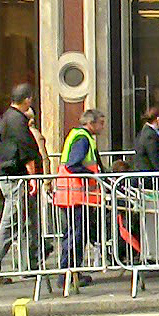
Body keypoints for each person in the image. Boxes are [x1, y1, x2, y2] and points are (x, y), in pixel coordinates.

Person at [0, 84, 43, 281]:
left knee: (25, 222)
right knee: (11, 222)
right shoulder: (17, 121)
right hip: (16, 177)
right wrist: (34, 178)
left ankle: (29, 265)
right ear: (27, 100)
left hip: (9, 175)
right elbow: (27, 152)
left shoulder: (4, 119)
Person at [54, 108, 105, 287]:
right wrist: (94, 177)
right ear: (91, 123)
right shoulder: (82, 139)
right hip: (75, 195)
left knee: (76, 234)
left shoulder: (82, 137)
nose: (103, 127)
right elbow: (73, 165)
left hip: (74, 195)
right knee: (75, 235)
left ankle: (72, 272)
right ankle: (67, 274)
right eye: (101, 123)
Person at [132, 105, 159, 173]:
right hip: (149, 175)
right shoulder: (150, 135)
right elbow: (155, 157)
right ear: (158, 119)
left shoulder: (146, 132)